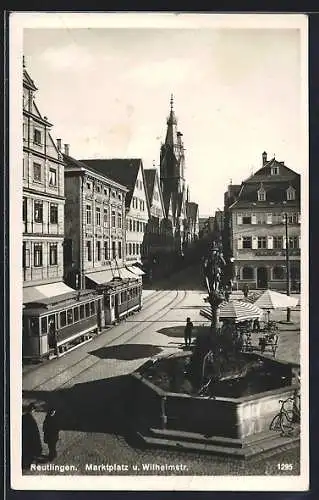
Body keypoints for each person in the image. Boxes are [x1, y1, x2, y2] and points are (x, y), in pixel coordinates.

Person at [22, 403, 42, 470]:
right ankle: (27, 465)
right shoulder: (31, 420)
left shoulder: (23, 417)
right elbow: (35, 434)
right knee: (30, 452)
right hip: (31, 440)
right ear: (32, 410)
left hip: (25, 439)